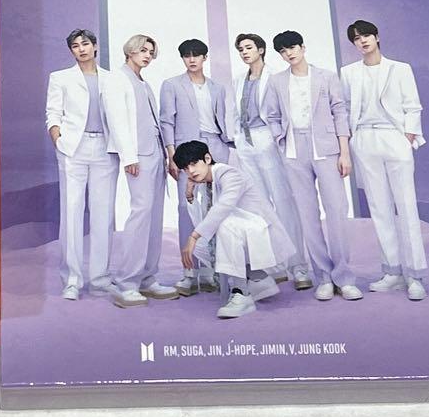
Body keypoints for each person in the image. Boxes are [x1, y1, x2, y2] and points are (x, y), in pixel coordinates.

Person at [264, 30, 360, 301]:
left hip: (327, 149)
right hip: (294, 151)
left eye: (292, 48)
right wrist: (281, 140)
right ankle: (324, 277)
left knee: (337, 210)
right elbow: (272, 115)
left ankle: (344, 277)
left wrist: (344, 152)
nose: (289, 54)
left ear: (303, 47)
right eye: (283, 51)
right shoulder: (276, 81)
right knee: (307, 216)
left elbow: (339, 111)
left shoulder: (326, 76)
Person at [340, 19, 428, 301]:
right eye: (357, 38)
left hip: (394, 137)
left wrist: (407, 137)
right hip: (365, 139)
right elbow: (345, 108)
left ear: (377, 37)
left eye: (366, 35)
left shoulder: (400, 69)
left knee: (406, 205)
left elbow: (413, 105)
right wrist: (353, 138)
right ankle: (392, 272)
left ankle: (415, 275)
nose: (362, 41)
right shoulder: (348, 72)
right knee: (379, 207)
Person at [46, 29, 135, 300]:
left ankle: (99, 279)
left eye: (85, 44)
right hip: (73, 148)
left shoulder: (112, 79)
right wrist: (58, 138)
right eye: (75, 46)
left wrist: (127, 151)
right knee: (71, 213)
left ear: (95, 46)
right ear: (71, 51)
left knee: (103, 215)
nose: (81, 49)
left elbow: (124, 115)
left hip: (105, 150)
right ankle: (72, 281)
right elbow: (53, 112)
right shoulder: (60, 77)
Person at [173, 140, 297, 318]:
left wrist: (193, 236)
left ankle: (242, 293)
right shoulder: (206, 182)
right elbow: (202, 218)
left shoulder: (229, 174)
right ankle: (258, 278)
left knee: (225, 226)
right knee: (208, 239)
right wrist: (189, 193)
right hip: (246, 231)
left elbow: (224, 206)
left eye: (194, 163)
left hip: (261, 232)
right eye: (186, 168)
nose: (191, 171)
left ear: (207, 159)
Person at [228, 32, 312, 289]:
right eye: (241, 49)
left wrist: (278, 139)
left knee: (284, 203)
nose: (244, 52)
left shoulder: (275, 77)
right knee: (259, 206)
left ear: (261, 50)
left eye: (249, 47)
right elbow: (236, 113)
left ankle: (299, 266)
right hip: (246, 144)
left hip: (268, 141)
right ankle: (275, 265)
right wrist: (237, 139)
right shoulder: (238, 79)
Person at [106, 34, 178, 308]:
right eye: (143, 50)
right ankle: (126, 282)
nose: (147, 55)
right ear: (130, 51)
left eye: (151, 51)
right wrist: (128, 157)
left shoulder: (143, 83)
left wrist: (167, 156)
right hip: (137, 157)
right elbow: (117, 120)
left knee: (154, 216)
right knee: (141, 214)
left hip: (155, 154)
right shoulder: (117, 79)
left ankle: (148, 277)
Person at [159, 38, 230, 296]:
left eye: (196, 55)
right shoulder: (171, 85)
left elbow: (222, 120)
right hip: (185, 151)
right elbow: (166, 122)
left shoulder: (217, 88)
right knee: (186, 209)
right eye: (187, 55)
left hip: (214, 148)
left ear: (204, 58)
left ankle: (210, 271)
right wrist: (172, 156)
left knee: (214, 209)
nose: (191, 59)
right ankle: (189, 273)